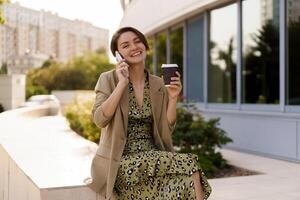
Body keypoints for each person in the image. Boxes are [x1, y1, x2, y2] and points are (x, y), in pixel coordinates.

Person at [86, 26, 212, 200]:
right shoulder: (108, 79)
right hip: (120, 161)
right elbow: (99, 119)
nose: (134, 47)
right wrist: (121, 84)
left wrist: (173, 98)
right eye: (126, 45)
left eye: (137, 41)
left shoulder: (158, 83)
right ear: (118, 54)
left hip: (153, 157)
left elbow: (166, 128)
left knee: (189, 178)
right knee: (190, 163)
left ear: (145, 45)